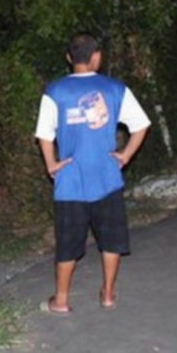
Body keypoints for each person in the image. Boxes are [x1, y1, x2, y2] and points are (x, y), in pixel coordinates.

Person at [34, 33, 151, 314]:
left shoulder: (55, 91)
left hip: (70, 181)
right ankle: (108, 293)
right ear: (96, 56)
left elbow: (44, 134)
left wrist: (51, 164)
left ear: (69, 57)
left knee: (67, 243)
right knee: (111, 240)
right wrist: (125, 155)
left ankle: (61, 300)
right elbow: (141, 125)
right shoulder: (115, 88)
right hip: (106, 177)